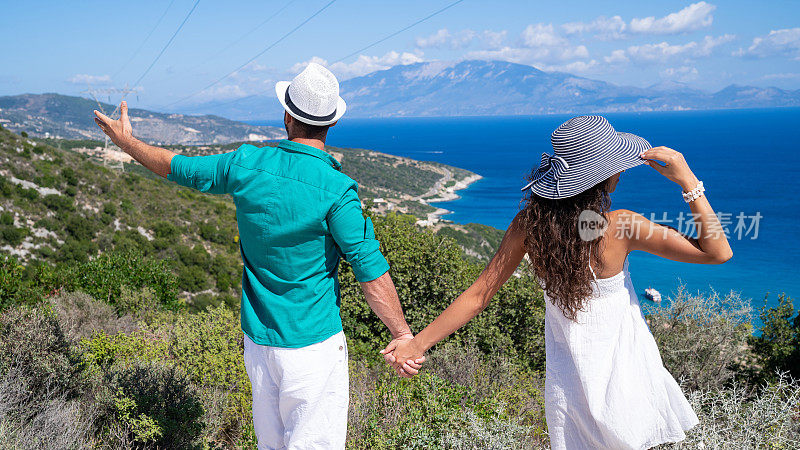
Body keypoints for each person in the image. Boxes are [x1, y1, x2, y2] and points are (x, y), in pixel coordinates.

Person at [93, 62, 422, 449]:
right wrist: (402, 335)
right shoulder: (336, 190)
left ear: (287, 116)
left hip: (259, 346)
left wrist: (127, 142)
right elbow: (371, 272)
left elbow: (174, 167)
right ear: (331, 123)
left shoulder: (246, 164)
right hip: (312, 347)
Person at [382, 115, 733, 449]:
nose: (623, 168)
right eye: (616, 162)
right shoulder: (623, 226)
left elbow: (478, 295)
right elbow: (717, 251)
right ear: (601, 174)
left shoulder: (530, 227)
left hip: (571, 392)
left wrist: (416, 345)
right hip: (630, 385)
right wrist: (688, 182)